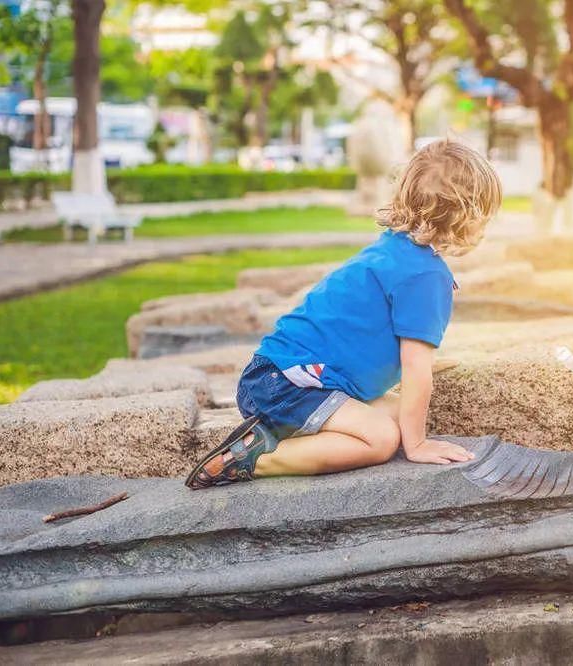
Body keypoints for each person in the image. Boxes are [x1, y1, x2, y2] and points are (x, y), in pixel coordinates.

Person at [185, 139, 502, 489]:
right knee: (382, 438)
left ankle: (281, 435)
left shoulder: (397, 248)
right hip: (289, 386)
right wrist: (418, 445)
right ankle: (254, 459)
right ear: (465, 215)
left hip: (276, 378)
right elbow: (416, 369)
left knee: (402, 413)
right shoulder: (425, 275)